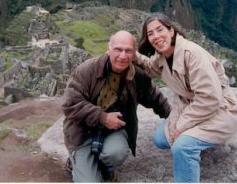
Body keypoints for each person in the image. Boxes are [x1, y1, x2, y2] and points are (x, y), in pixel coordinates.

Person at [135, 13, 237, 183]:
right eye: (150, 34)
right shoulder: (163, 56)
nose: (156, 36)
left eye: (160, 30)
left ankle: (196, 146)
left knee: (181, 147)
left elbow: (210, 98)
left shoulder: (191, 54)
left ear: (171, 31)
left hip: (219, 111)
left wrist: (182, 124)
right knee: (160, 139)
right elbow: (151, 68)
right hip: (192, 108)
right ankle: (201, 143)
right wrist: (130, 54)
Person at [62, 30, 171, 182]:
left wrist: (175, 119)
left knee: (116, 153)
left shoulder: (136, 76)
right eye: (118, 49)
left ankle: (106, 168)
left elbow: (154, 98)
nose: (123, 56)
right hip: (82, 132)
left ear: (134, 54)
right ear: (109, 49)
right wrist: (102, 117)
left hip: (113, 130)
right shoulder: (87, 71)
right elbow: (70, 104)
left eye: (128, 51)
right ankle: (77, 162)